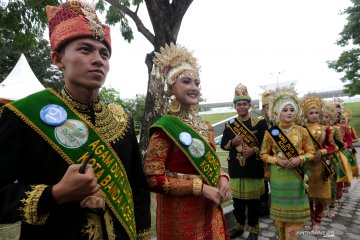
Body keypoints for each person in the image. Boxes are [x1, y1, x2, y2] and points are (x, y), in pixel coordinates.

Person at [0, 1, 151, 239]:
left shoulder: (122, 120)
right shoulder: (23, 115)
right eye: (85, 49)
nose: (98, 59)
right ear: (58, 59)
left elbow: (138, 190)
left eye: (104, 53)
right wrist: (56, 193)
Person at [143, 43, 230, 240]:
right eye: (186, 81)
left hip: (211, 211)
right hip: (181, 218)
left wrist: (223, 177)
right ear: (171, 86)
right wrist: (200, 188)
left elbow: (214, 163)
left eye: (197, 83)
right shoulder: (165, 128)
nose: (194, 88)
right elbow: (153, 179)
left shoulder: (205, 126)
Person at [260, 88, 315, 240]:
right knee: (280, 217)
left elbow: (311, 152)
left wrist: (300, 159)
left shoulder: (302, 131)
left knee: (296, 219)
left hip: (297, 178)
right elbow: (263, 154)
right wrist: (277, 160)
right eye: (285, 109)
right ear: (278, 112)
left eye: (292, 109)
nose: (289, 112)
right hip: (278, 178)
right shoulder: (271, 132)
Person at [220, 83, 268, 240]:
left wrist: (253, 150)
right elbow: (223, 145)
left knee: (254, 202)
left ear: (249, 105)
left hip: (253, 168)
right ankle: (239, 227)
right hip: (236, 168)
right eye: (239, 104)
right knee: (238, 202)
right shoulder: (230, 124)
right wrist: (232, 143)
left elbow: (266, 145)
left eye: (244, 104)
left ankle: (254, 230)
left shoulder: (259, 122)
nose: (242, 107)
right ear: (235, 106)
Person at [300, 95, 333, 231]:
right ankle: (309, 217)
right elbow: (299, 147)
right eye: (311, 113)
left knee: (320, 195)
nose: (314, 115)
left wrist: (323, 151)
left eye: (316, 112)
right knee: (307, 193)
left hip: (321, 165)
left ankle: (318, 221)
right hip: (307, 165)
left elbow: (333, 146)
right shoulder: (300, 129)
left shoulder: (326, 129)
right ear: (306, 114)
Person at [259, 91, 273, 217]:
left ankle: (277, 207)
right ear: (263, 109)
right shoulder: (260, 123)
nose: (269, 110)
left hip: (277, 159)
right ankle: (264, 208)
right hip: (263, 159)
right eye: (266, 107)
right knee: (263, 185)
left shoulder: (279, 123)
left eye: (271, 107)